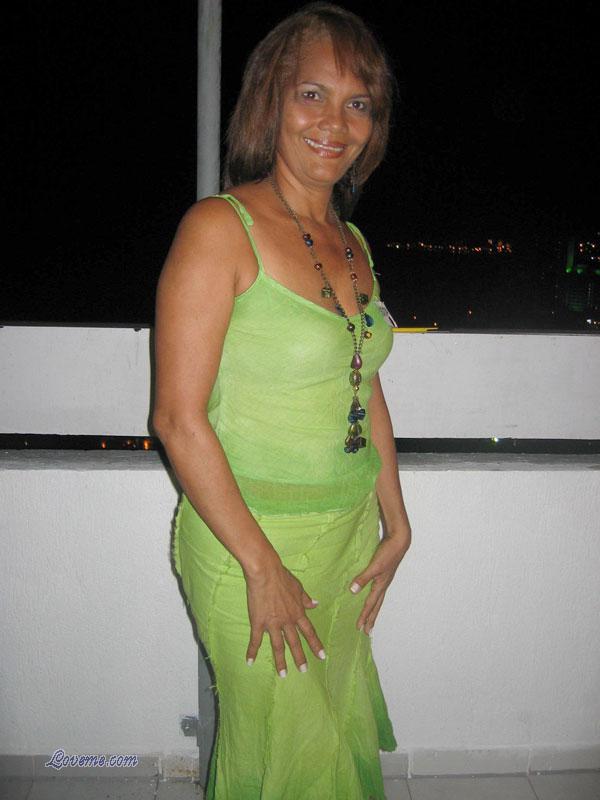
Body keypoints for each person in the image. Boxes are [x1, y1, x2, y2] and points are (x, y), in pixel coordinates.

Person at [152, 3, 412, 798]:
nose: (336, 122)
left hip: (346, 538)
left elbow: (362, 379)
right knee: (275, 748)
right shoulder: (217, 228)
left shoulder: (352, 241)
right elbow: (177, 420)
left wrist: (397, 519)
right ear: (271, 99)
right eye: (312, 94)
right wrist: (261, 566)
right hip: (248, 545)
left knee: (330, 731)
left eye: (358, 103)